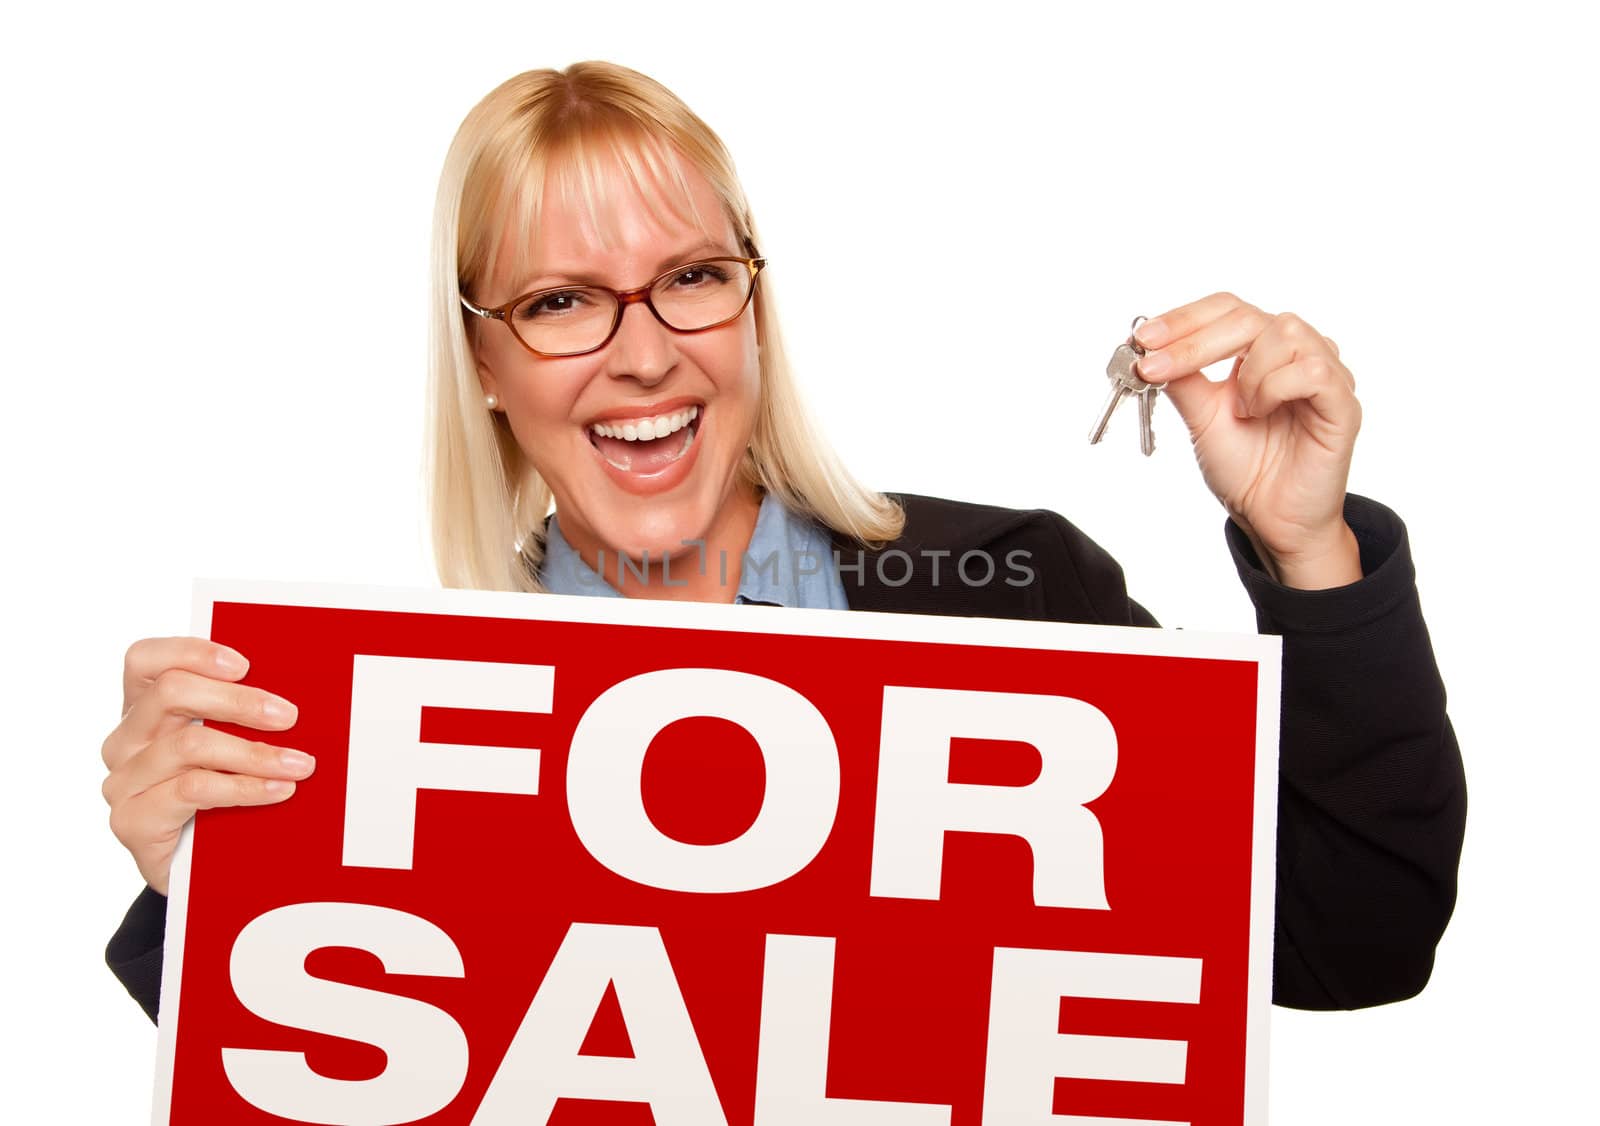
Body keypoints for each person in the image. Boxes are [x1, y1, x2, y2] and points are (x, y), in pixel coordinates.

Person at [101, 61, 1465, 1024]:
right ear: (485, 365)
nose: (644, 356)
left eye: (692, 278)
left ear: (753, 305)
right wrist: (211, 887)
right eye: (564, 299)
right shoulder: (393, 742)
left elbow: (1357, 937)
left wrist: (1308, 547)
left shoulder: (1015, 593)